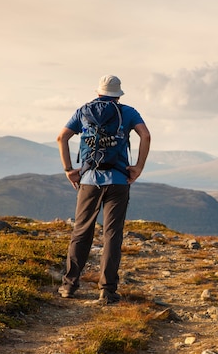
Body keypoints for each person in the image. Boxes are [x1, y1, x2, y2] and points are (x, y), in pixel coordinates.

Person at [56, 75, 151, 304]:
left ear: (98, 92)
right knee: (112, 235)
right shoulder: (128, 112)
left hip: (89, 180)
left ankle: (69, 286)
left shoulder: (83, 111)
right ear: (118, 95)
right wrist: (137, 168)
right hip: (118, 180)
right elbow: (145, 135)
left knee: (81, 232)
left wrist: (69, 169)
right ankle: (107, 290)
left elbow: (62, 137)